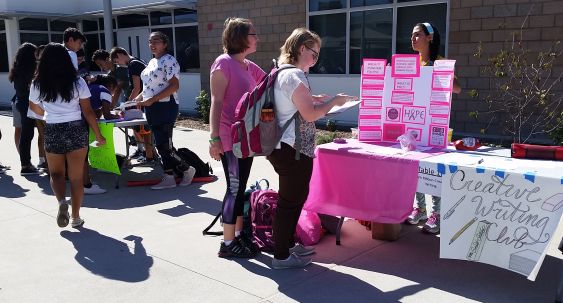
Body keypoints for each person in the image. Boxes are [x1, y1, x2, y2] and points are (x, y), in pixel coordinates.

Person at [268, 28, 356, 269]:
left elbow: (294, 105)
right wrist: (333, 103)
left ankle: (285, 245)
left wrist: (314, 98)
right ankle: (281, 256)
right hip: (292, 148)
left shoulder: (282, 73)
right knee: (290, 201)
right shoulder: (294, 75)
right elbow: (310, 114)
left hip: (284, 147)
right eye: (314, 55)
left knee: (294, 199)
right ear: (302, 49)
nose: (316, 60)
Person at [28, 43, 106, 228]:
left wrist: (45, 114)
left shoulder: (38, 82)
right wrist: (99, 135)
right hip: (76, 128)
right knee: (77, 177)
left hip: (53, 128)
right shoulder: (78, 82)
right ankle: (76, 217)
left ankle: (62, 202)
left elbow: (33, 106)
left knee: (56, 174)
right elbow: (88, 112)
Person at [209, 17, 266, 258]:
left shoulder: (248, 65)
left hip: (246, 137)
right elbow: (216, 101)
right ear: (240, 37)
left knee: (240, 186)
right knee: (233, 188)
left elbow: (271, 82)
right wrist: (213, 138)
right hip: (228, 136)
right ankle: (227, 243)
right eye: (253, 34)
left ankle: (240, 235)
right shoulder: (223, 63)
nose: (257, 38)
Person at [405, 22, 461, 234]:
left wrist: (439, 77)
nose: (413, 39)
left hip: (434, 126)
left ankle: (436, 214)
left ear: (430, 38)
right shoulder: (412, 63)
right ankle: (420, 208)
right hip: (413, 123)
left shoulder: (441, 62)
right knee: (414, 169)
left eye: (417, 34)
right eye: (412, 35)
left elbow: (457, 89)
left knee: (432, 171)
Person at [133, 31, 195, 190]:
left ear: (165, 44)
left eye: (156, 41)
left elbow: (174, 86)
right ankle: (169, 177)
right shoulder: (153, 62)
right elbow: (149, 87)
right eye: (150, 41)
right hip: (152, 107)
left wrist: (152, 99)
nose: (152, 44)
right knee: (160, 144)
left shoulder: (169, 60)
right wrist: (139, 98)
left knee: (164, 145)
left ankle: (187, 169)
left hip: (166, 106)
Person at [110, 47, 155, 162]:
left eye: (117, 61)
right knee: (144, 130)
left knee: (145, 131)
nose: (118, 64)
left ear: (120, 54)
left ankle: (149, 156)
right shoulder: (137, 61)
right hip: (146, 99)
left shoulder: (133, 64)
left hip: (144, 101)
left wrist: (128, 104)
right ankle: (147, 154)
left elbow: (137, 88)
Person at [81, 74, 120, 195]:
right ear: (112, 86)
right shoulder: (105, 91)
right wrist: (118, 116)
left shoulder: (91, 88)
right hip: (82, 121)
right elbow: (107, 115)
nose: (114, 93)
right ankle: (86, 184)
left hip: (75, 119)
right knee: (83, 154)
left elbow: (95, 110)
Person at [9, 42, 40, 175]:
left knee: (26, 134)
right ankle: (26, 165)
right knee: (27, 135)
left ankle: (26, 163)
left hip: (21, 103)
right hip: (27, 104)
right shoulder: (29, 71)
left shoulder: (17, 69)